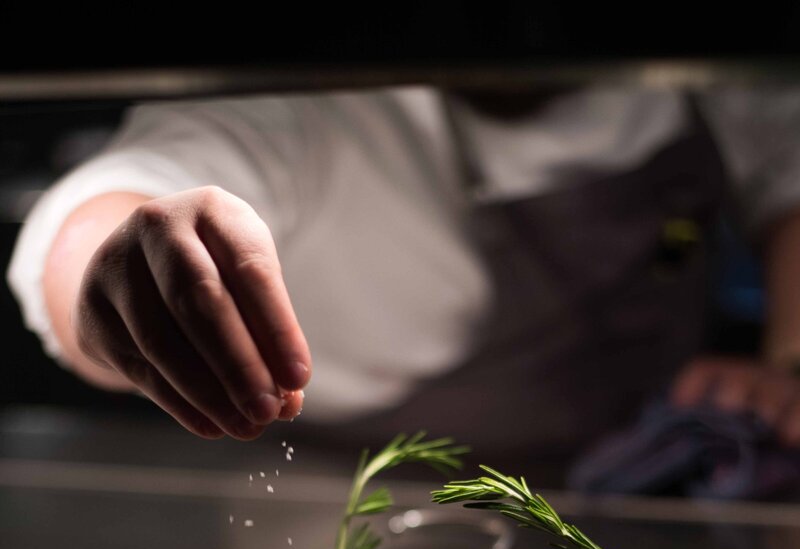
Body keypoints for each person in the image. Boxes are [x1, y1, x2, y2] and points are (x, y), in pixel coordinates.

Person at [8, 85, 800, 470]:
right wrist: (118, 262)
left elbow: (787, 173)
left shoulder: (691, 61)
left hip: (649, 471)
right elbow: (111, 200)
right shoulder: (315, 99)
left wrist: (786, 366)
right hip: (354, 502)